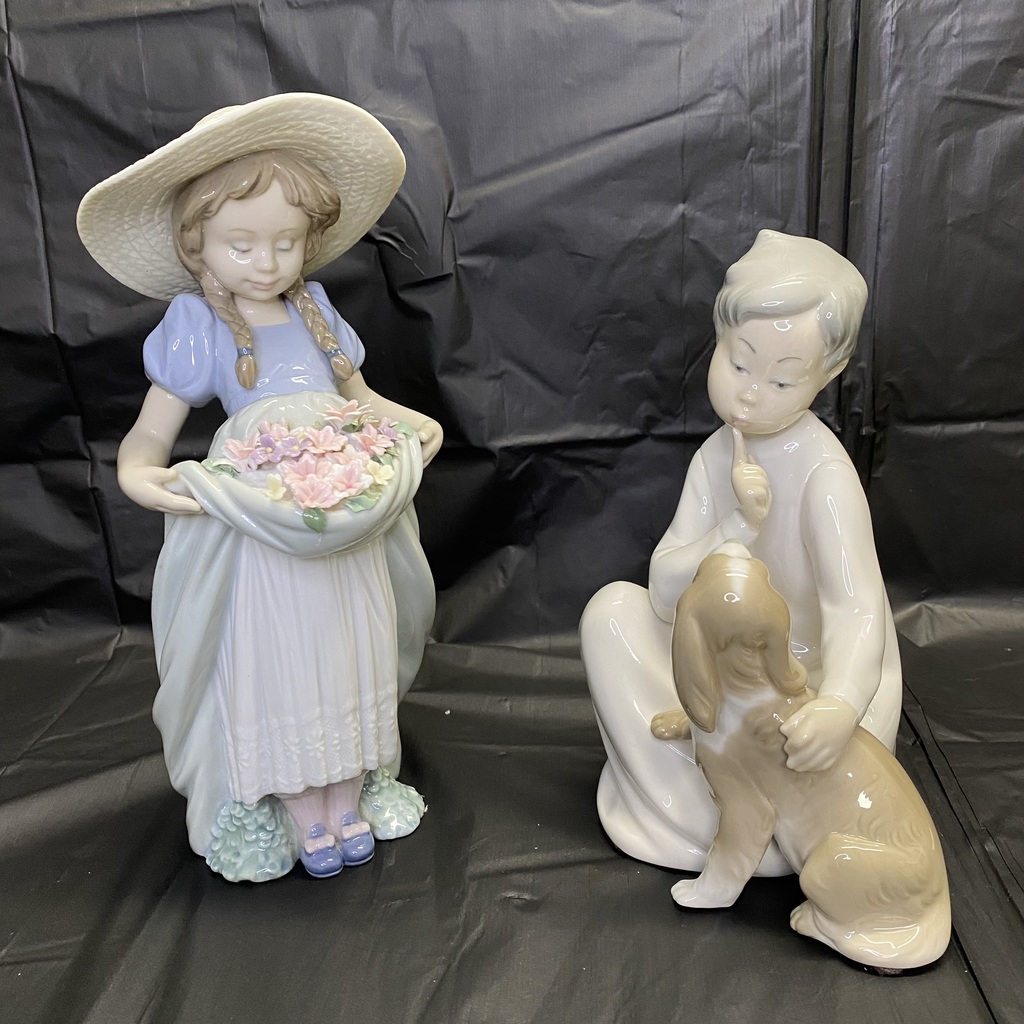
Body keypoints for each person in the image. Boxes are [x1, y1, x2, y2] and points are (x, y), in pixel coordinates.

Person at [77, 94, 441, 881]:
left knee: (349, 648)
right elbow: (150, 435)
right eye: (242, 244)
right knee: (283, 658)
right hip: (266, 518)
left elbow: (362, 400)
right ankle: (299, 805)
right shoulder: (198, 324)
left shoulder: (316, 311)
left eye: (286, 242)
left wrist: (411, 423)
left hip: (348, 509)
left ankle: (348, 791)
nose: (268, 263)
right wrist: (137, 471)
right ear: (198, 247)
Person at [580, 229, 902, 875]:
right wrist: (734, 526)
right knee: (611, 612)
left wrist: (838, 706)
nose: (751, 393)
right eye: (738, 364)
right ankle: (699, 811)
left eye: (782, 379)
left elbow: (857, 610)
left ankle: (751, 825)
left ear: (827, 375)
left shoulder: (824, 476)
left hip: (806, 686)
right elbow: (666, 596)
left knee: (813, 742)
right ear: (719, 340)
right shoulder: (716, 458)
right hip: (718, 674)